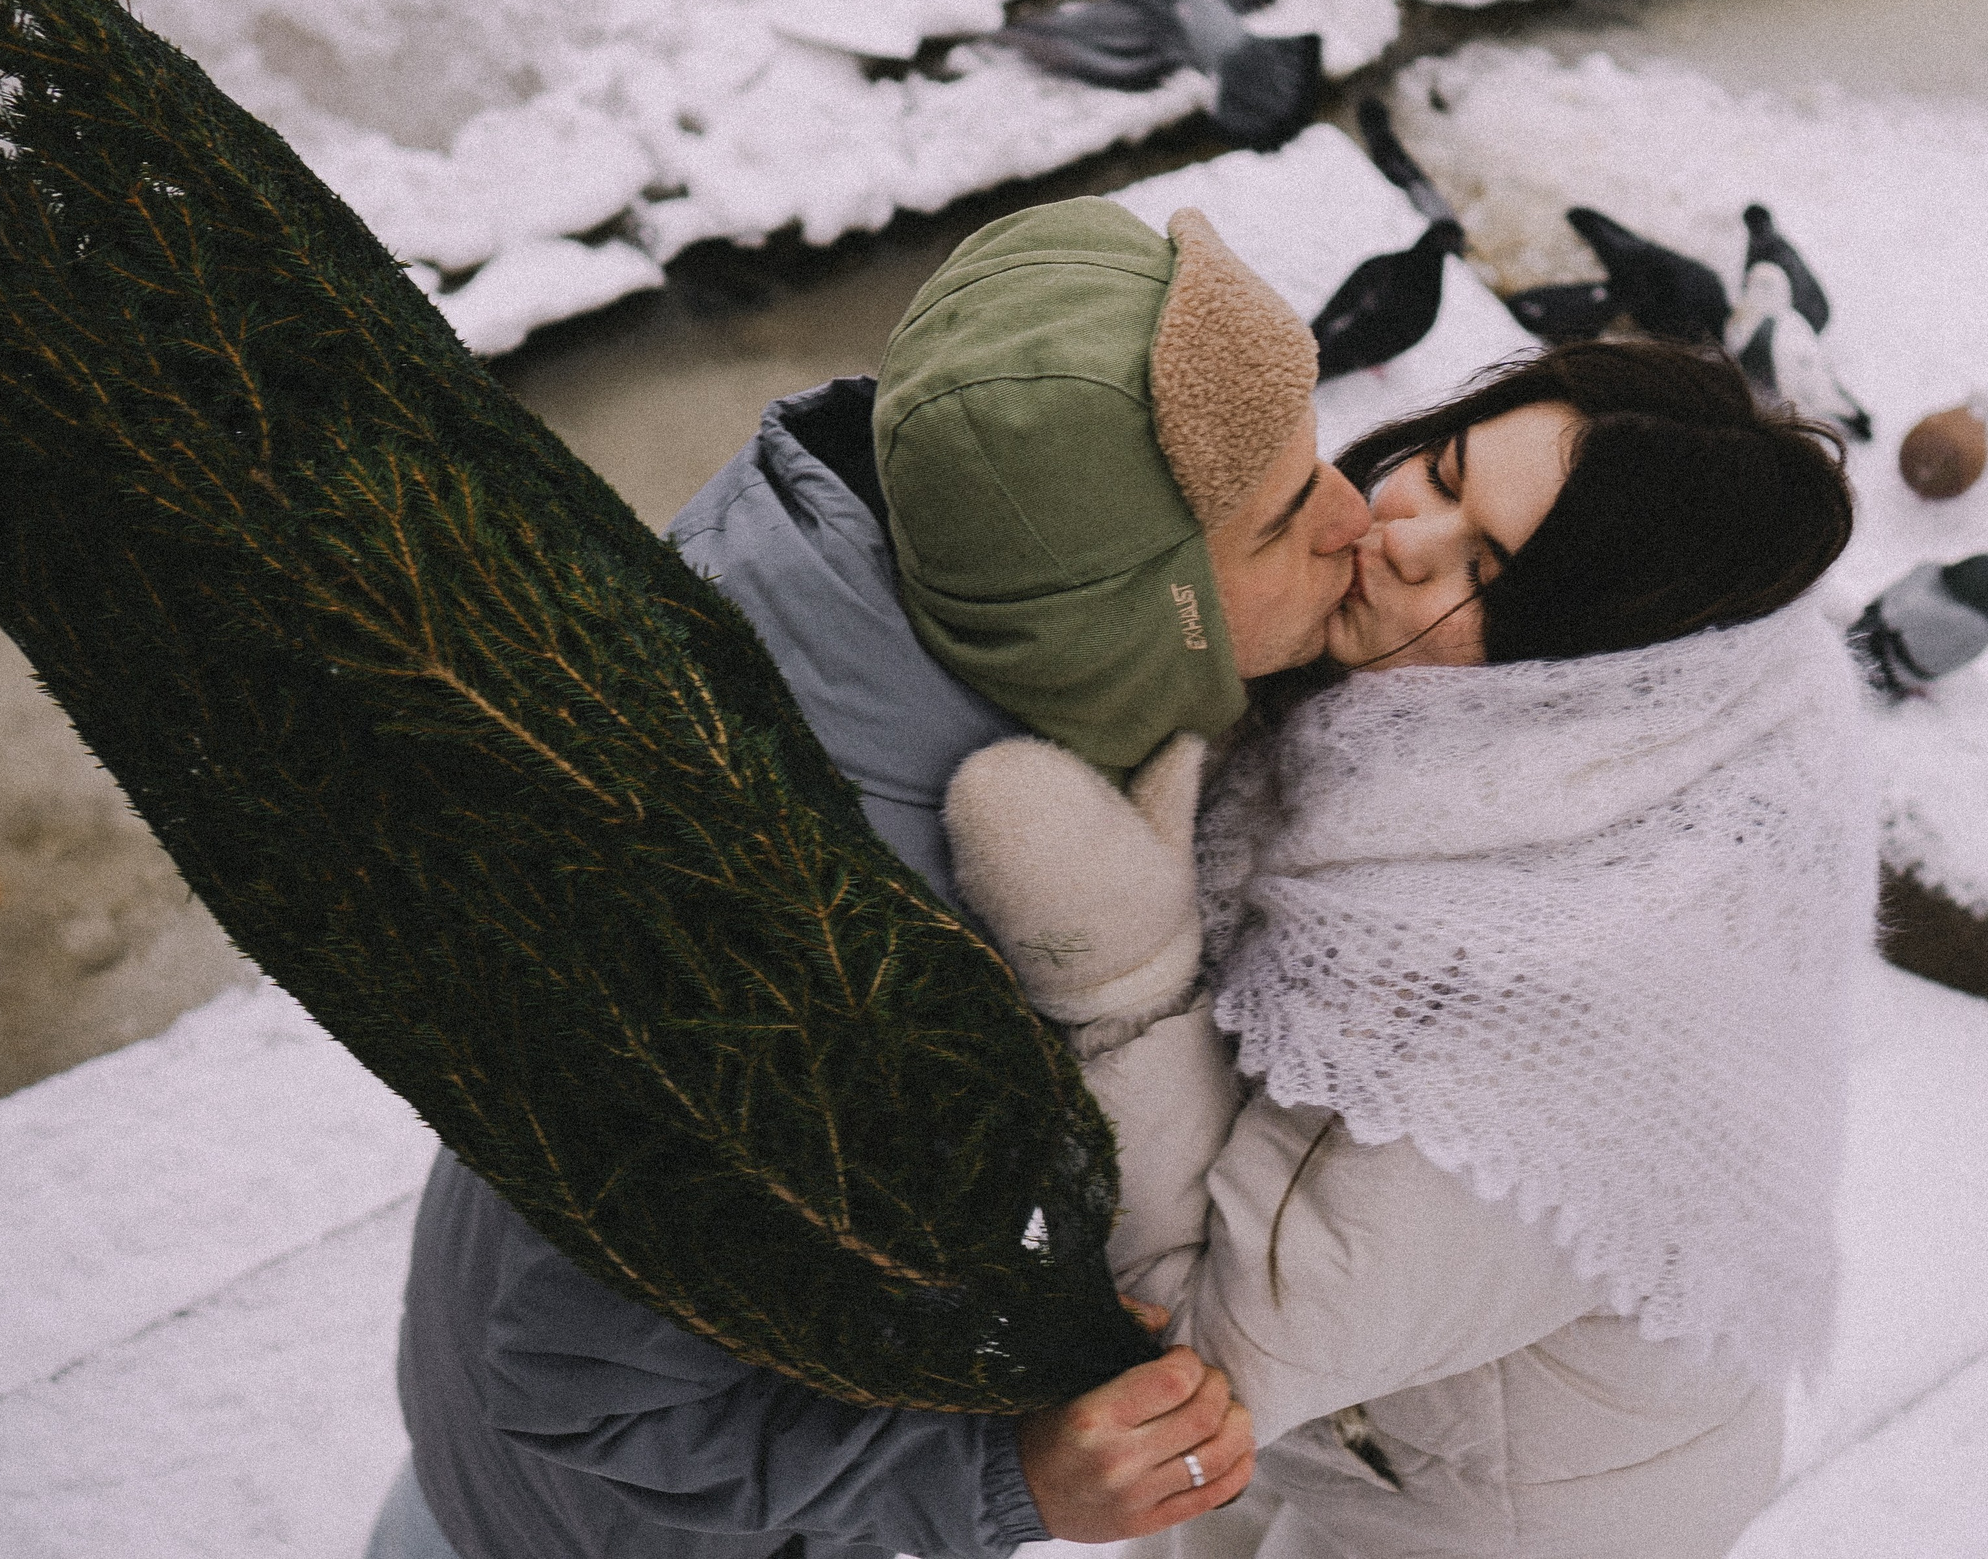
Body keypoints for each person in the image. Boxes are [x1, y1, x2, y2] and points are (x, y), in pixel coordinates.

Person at [372, 196, 1371, 1559]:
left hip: (481, 1416)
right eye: (1285, 519)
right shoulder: (791, 953)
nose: (1361, 522)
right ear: (1128, 624)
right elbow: (593, 1413)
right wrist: (1005, 1477)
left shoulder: (827, 610)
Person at [939, 336, 1877, 1559]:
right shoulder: (1675, 701)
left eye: (1484, 569)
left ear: (1584, 659)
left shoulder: (1503, 998)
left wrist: (1118, 979)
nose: (1401, 536)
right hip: (1398, 1409)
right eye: (1435, 471)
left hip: (1498, 1518)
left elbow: (1208, 1356)